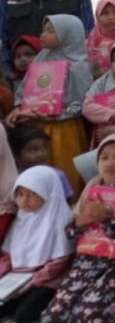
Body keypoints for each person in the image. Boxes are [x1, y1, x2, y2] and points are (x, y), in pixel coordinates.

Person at [40, 133, 115, 323]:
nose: (111, 163)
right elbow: (70, 232)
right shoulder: (92, 186)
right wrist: (81, 221)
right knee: (50, 321)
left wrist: (106, 218)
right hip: (87, 262)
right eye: (104, 157)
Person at [5, 15, 92, 195]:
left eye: (51, 31)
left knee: (64, 169)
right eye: (44, 30)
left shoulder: (78, 66)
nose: (43, 35)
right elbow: (25, 88)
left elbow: (82, 103)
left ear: (68, 35)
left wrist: (58, 114)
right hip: (35, 125)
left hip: (64, 129)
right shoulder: (41, 58)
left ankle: (64, 207)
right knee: (36, 174)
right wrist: (18, 107)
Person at [0, 165, 75, 322]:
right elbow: (7, 254)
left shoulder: (60, 220)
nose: (24, 200)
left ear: (48, 192)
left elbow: (60, 262)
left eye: (32, 194)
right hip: (19, 278)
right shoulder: (21, 219)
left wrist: (33, 282)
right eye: (20, 194)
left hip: (47, 279)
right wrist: (5, 274)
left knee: (22, 315)